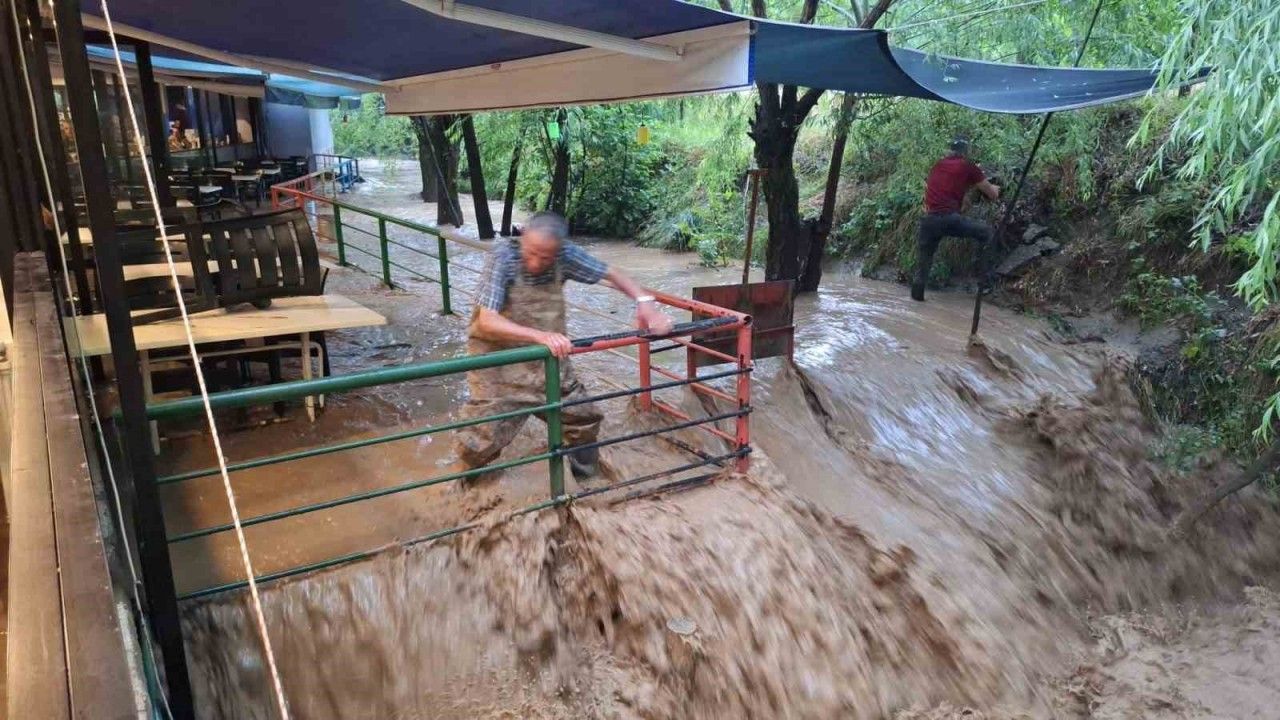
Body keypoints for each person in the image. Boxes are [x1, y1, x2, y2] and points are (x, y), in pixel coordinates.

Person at [453, 211, 674, 481]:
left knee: (584, 418)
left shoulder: (565, 255)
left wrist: (645, 302)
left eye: (545, 258)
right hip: (497, 364)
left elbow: (612, 273)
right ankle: (468, 492)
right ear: (522, 238)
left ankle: (584, 486)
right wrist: (541, 336)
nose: (535, 262)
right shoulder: (503, 255)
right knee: (481, 439)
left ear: (557, 252)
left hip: (547, 361)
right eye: (531, 252)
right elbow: (487, 321)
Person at [913, 137, 1001, 301]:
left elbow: (945, 190)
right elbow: (992, 194)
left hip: (929, 220)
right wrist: (995, 188)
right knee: (987, 233)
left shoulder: (937, 165)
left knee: (923, 263)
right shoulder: (968, 166)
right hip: (948, 219)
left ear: (950, 150)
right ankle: (987, 284)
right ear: (966, 151)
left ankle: (917, 297)